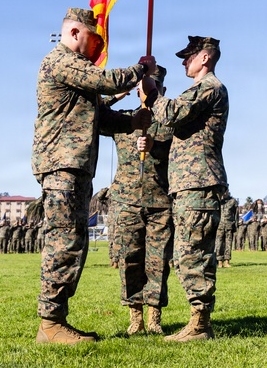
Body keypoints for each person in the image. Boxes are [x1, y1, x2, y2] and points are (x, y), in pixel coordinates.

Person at [32, 7, 156, 345]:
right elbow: (106, 81)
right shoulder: (60, 61)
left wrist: (131, 123)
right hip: (63, 168)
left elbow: (99, 117)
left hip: (74, 168)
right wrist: (141, 69)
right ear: (74, 33)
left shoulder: (75, 73)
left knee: (73, 244)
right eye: (93, 39)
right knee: (64, 244)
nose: (97, 48)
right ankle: (51, 324)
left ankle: (55, 322)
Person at [151, 35, 228, 342]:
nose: (184, 61)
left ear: (205, 58)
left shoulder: (210, 87)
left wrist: (154, 95)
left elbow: (171, 114)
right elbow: (172, 125)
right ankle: (197, 321)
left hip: (200, 184)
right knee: (185, 255)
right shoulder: (198, 90)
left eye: (189, 56)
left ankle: (200, 324)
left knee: (193, 254)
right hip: (188, 186)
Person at [105, 66, 174, 335]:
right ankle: (136, 317)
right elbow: (95, 111)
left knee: (158, 262)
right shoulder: (124, 121)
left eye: (153, 87)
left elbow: (184, 152)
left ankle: (155, 317)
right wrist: (118, 94)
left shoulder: (170, 122)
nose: (147, 91)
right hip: (126, 201)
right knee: (130, 260)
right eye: (143, 87)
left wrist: (155, 145)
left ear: (162, 91)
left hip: (159, 203)